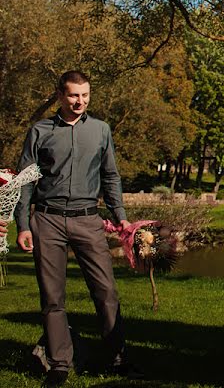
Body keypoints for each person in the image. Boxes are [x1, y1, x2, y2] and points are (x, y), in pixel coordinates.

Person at [13, 70, 134, 387]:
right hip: (48, 220)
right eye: (73, 95)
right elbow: (25, 184)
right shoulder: (40, 131)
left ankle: (116, 357)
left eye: (85, 95)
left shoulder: (100, 130)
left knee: (106, 291)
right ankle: (59, 363)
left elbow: (111, 176)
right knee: (52, 296)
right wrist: (23, 225)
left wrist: (119, 215)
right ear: (60, 95)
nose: (80, 101)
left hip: (88, 219)